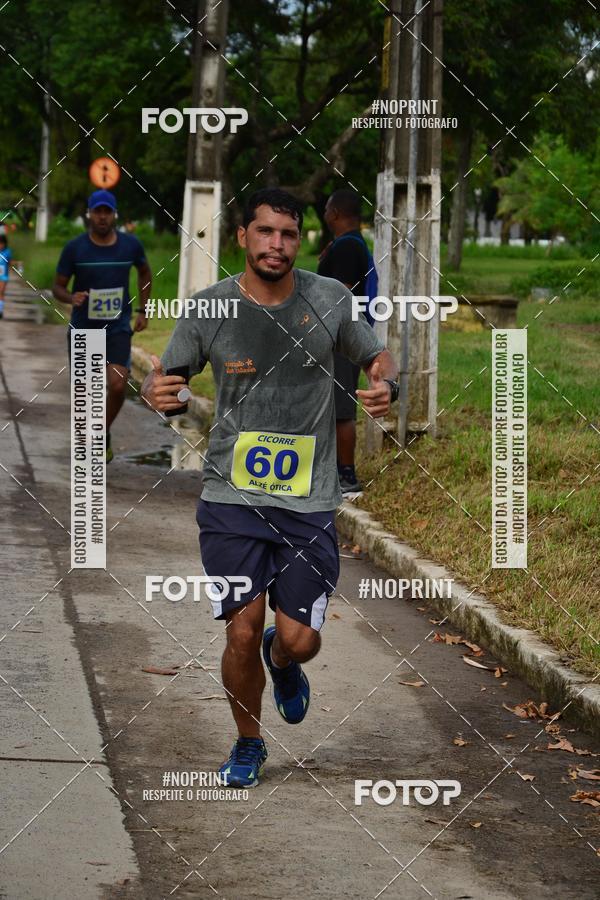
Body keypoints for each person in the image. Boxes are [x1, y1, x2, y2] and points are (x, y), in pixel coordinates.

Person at [142, 187, 399, 788]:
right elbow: (169, 377)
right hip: (231, 497)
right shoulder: (209, 309)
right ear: (243, 237)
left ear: (300, 240)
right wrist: (159, 392)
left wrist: (387, 385)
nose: (276, 245)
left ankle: (283, 665)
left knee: (299, 640)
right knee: (241, 626)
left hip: (308, 501)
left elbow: (377, 358)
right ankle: (248, 742)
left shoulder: (330, 299)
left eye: (287, 234)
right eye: (265, 232)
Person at [52, 190, 152, 462]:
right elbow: (57, 287)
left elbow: (144, 273)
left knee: (118, 385)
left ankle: (101, 431)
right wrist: (71, 296)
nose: (103, 217)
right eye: (98, 211)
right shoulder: (75, 248)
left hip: (117, 326)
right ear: (90, 214)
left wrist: (144, 309)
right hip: (84, 327)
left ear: (114, 214)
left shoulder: (130, 246)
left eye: (107, 211)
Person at [318, 188, 377, 495]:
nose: (324, 213)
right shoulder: (349, 245)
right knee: (332, 405)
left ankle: (347, 476)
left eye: (327, 208)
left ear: (336, 213)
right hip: (342, 336)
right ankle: (333, 470)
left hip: (342, 338)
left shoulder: (346, 248)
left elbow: (338, 293)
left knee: (342, 408)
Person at [0, 235, 13, 319]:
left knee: (1, 292)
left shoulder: (7, 252)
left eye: (1, 244)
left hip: (3, 276)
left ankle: (0, 310)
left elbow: (10, 263)